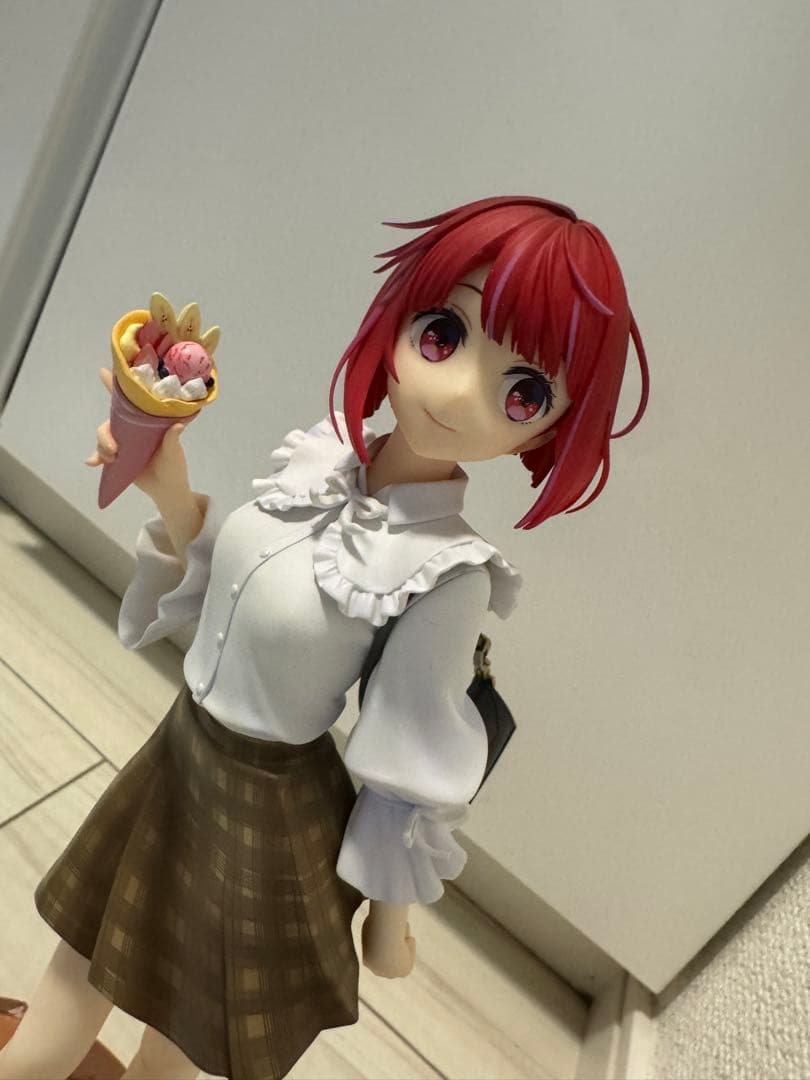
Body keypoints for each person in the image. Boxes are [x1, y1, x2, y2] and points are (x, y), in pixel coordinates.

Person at [0, 195, 648, 1080]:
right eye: (442, 335)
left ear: (548, 429)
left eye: (523, 390)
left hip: (261, 809)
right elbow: (237, 587)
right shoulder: (318, 462)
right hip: (177, 758)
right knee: (72, 987)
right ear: (399, 320)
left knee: (176, 1040)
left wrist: (390, 918)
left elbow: (408, 748)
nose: (458, 391)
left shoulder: (447, 572)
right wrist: (170, 487)